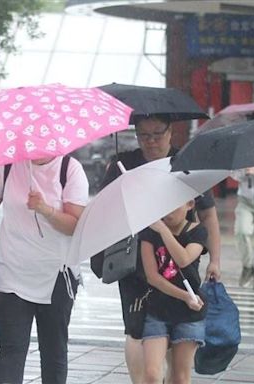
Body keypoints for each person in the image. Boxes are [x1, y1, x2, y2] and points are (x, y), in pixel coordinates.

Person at [99, 114, 221, 383]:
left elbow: (209, 215)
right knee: (137, 326)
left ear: (170, 132)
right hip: (134, 259)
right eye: (143, 135)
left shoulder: (187, 163)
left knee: (177, 335)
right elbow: (105, 206)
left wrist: (215, 259)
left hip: (176, 257)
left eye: (157, 134)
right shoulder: (124, 164)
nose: (150, 141)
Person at [0, 156, 89, 384]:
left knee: (53, 351)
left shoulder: (70, 169)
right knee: (11, 351)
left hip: (56, 276)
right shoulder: (8, 165)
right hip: (11, 273)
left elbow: (74, 225)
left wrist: (46, 210)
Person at [140, 200, 207, 384]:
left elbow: (183, 259)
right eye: (164, 207)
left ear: (189, 204)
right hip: (158, 308)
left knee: (180, 376)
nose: (168, 213)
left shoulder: (198, 232)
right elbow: (152, 277)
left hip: (189, 313)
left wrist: (164, 231)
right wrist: (184, 296)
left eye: (174, 207)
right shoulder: (149, 232)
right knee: (152, 374)